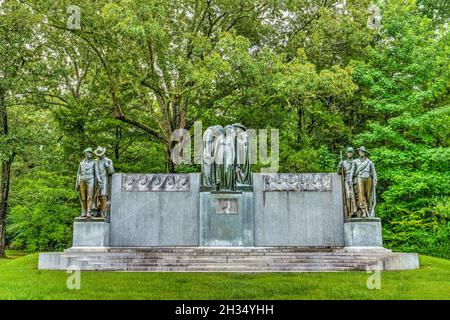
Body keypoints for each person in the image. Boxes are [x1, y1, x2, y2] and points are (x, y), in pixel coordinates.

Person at [351, 146, 377, 217]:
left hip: (368, 179)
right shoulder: (355, 161)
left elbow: (373, 172)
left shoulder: (369, 162)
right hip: (359, 178)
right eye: (359, 151)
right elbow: (352, 171)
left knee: (368, 195)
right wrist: (350, 179)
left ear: (365, 153)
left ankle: (368, 209)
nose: (360, 152)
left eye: (362, 151)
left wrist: (375, 179)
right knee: (361, 194)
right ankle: (363, 211)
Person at [76, 148, 99, 217]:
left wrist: (99, 180)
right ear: (85, 154)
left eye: (91, 153)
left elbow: (96, 172)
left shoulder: (94, 162)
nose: (90, 154)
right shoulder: (81, 163)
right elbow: (78, 173)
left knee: (90, 196)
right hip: (82, 180)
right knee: (83, 197)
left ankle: (89, 211)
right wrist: (77, 183)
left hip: (90, 179)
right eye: (89, 153)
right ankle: (84, 211)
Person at [94, 146, 114, 218]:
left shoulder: (108, 160)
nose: (100, 156)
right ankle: (97, 211)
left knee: (103, 195)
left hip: (104, 179)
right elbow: (94, 171)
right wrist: (98, 179)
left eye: (101, 154)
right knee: (97, 196)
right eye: (98, 154)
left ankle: (103, 212)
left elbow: (112, 171)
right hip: (96, 180)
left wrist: (107, 166)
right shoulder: (96, 161)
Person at [337, 147, 357, 218]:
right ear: (346, 153)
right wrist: (340, 165)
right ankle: (350, 212)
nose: (349, 153)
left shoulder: (355, 162)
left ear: (353, 153)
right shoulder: (344, 162)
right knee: (348, 196)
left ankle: (355, 211)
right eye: (348, 152)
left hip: (354, 180)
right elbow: (338, 172)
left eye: (351, 152)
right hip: (346, 180)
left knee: (354, 195)